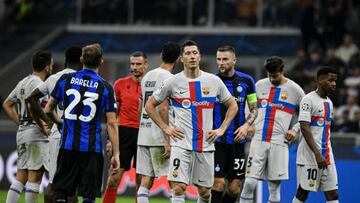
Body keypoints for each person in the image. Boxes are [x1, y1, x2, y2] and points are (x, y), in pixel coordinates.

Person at [145, 40, 238, 203]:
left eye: (195, 53)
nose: (192, 56)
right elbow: (150, 105)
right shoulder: (172, 81)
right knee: (178, 187)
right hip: (181, 144)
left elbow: (233, 105)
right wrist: (165, 128)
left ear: (199, 56)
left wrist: (221, 129)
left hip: (205, 145)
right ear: (182, 59)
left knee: (205, 193)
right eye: (188, 53)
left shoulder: (213, 81)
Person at [44, 43, 120, 202]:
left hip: (67, 147)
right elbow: (112, 123)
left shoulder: (66, 80)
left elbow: (48, 109)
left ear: (81, 59)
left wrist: (60, 123)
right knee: (88, 195)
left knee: (61, 192)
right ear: (101, 62)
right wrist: (117, 154)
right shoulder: (106, 87)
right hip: (91, 149)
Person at [240, 56, 305, 203]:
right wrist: (249, 123)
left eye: (274, 75)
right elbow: (248, 106)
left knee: (274, 187)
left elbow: (307, 115)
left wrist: (295, 130)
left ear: (283, 70)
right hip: (258, 140)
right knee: (249, 183)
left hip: (279, 142)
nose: (271, 78)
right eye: (269, 75)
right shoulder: (259, 85)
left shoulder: (296, 90)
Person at [27, 46, 83, 203]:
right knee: (72, 185)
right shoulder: (84, 80)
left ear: (65, 60)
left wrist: (48, 120)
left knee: (52, 183)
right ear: (81, 60)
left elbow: (31, 99)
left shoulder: (54, 78)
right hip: (76, 136)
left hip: (57, 135)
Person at [3, 51, 53, 203]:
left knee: (21, 177)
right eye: (51, 64)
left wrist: (20, 122)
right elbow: (36, 107)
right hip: (35, 133)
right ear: (46, 67)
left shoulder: (23, 82)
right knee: (35, 177)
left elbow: (7, 104)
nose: (52, 67)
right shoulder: (40, 85)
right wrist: (42, 126)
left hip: (22, 132)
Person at [211, 45, 258, 203]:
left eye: (225, 59)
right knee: (218, 184)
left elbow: (254, 109)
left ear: (234, 60)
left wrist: (246, 125)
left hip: (238, 142)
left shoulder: (247, 81)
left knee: (234, 188)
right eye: (218, 59)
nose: (221, 63)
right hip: (217, 142)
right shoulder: (212, 81)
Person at [136, 42, 180, 203]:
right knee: (174, 180)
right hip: (159, 136)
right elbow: (162, 108)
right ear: (179, 59)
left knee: (146, 180)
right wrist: (167, 138)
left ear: (162, 56)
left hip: (144, 134)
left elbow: (141, 108)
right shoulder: (170, 78)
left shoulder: (147, 76)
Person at [102, 51, 148, 203]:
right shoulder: (120, 84)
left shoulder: (151, 85)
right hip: (123, 133)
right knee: (113, 179)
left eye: (138, 64)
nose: (135, 67)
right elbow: (112, 115)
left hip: (144, 134)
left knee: (141, 182)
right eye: (133, 64)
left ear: (145, 65)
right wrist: (110, 139)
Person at [292, 67, 339, 203]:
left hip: (327, 156)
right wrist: (317, 153)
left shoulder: (329, 103)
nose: (333, 84)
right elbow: (304, 127)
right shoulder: (308, 100)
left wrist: (324, 154)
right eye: (330, 80)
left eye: (335, 81)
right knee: (302, 193)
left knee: (332, 194)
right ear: (319, 80)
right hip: (310, 156)